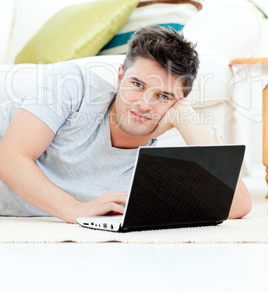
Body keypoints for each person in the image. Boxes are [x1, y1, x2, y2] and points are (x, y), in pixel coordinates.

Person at [0, 26, 251, 223]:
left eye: (163, 96)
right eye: (137, 85)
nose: (143, 104)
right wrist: (76, 210)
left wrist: (188, 121)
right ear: (120, 76)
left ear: (179, 102)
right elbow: (11, 158)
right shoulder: (74, 84)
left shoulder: (148, 170)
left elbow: (238, 204)